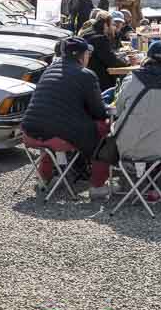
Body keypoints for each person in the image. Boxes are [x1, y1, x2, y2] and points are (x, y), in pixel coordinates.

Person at [22, 37, 113, 197]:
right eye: (87, 54)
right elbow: (99, 112)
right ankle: (97, 185)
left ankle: (45, 177)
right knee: (105, 128)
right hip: (56, 134)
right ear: (82, 55)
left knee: (51, 125)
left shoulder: (48, 71)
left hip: (29, 130)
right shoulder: (86, 75)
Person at [114, 41, 161, 189]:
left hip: (126, 147)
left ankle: (136, 181)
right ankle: (158, 183)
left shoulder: (130, 80)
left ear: (147, 58)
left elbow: (118, 110)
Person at [83, 11, 132, 91]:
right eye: (113, 25)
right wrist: (128, 63)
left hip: (90, 80)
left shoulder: (88, 35)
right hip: (101, 85)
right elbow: (112, 61)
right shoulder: (100, 39)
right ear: (106, 25)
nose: (115, 28)